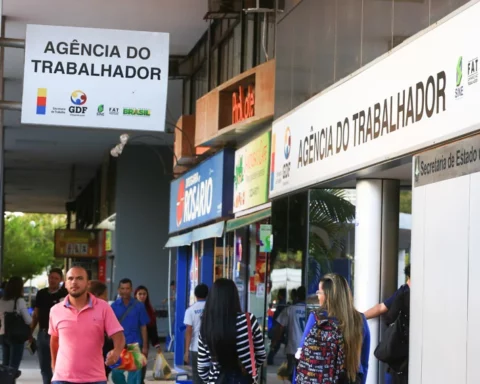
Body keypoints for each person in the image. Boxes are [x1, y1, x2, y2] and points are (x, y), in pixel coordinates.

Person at [49, 267, 125, 384]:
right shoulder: (55, 310)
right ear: (65, 284)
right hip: (62, 379)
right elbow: (54, 340)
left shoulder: (103, 307)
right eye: (70, 278)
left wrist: (116, 352)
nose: (74, 282)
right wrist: (54, 365)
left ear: (88, 283)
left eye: (79, 278)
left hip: (95, 378)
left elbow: (118, 335)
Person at [295, 273, 370, 384]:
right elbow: (364, 363)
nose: (318, 296)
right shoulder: (359, 320)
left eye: (319, 292)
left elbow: (301, 354)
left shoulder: (317, 318)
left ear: (328, 295)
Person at [198, 278, 266, 384]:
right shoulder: (248, 320)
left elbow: (202, 368)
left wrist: (212, 378)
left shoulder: (207, 324)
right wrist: (247, 367)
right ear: (234, 297)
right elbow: (261, 355)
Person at [364, 265, 411, 384]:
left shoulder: (403, 292)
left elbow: (381, 308)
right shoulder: (405, 292)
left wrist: (360, 317)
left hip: (398, 350)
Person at [30, 268, 68, 384]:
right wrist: (30, 332)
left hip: (59, 335)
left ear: (61, 280)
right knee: (44, 366)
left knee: (59, 365)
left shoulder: (65, 294)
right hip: (43, 333)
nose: (53, 281)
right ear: (48, 278)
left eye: (56, 278)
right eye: (51, 278)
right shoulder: (41, 293)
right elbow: (36, 314)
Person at [111, 278, 150, 384]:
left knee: (135, 376)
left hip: (135, 344)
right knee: (116, 374)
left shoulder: (139, 306)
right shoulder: (113, 307)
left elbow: (143, 327)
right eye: (122, 288)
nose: (125, 291)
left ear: (131, 290)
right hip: (119, 344)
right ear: (119, 290)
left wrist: (145, 346)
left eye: (127, 288)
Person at [0, 276, 32, 379]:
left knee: (5, 366)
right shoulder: (19, 301)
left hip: (3, 335)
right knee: (13, 368)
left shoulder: (2, 300)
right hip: (16, 337)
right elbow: (28, 320)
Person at [273, 286, 307, 382]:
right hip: (307, 348)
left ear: (297, 296)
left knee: (292, 373)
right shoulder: (311, 310)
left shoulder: (290, 309)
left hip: (293, 347)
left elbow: (280, 327)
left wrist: (274, 342)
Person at [134, 285, 162, 384]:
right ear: (135, 295)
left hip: (144, 343)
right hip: (132, 343)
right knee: (134, 368)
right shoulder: (132, 308)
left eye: (144, 294)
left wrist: (157, 344)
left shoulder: (150, 309)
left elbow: (153, 329)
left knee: (142, 367)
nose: (142, 296)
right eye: (140, 294)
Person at [183, 283, 208, 384]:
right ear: (207, 294)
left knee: (197, 377)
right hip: (211, 348)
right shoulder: (212, 308)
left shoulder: (190, 310)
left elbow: (189, 331)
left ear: (195, 295)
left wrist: (186, 352)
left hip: (196, 348)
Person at [89, 280, 114, 379]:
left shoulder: (105, 309)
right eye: (105, 295)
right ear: (96, 295)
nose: (107, 298)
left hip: (102, 355)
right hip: (95, 357)